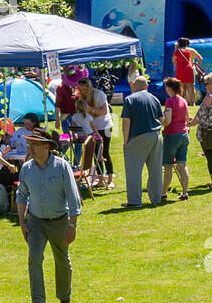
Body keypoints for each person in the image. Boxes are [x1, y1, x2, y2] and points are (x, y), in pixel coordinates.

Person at [15, 129, 81, 303]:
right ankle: (38, 302)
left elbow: (73, 197)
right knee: (34, 257)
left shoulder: (61, 166)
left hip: (60, 220)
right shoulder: (27, 168)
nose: (30, 148)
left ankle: (64, 299)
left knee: (62, 260)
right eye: (30, 144)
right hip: (35, 221)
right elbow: (21, 196)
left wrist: (72, 225)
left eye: (34, 145)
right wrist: (22, 222)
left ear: (46, 147)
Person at [119, 76, 164, 208]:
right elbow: (162, 120)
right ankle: (156, 199)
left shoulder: (130, 99)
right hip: (155, 135)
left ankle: (134, 201)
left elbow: (126, 122)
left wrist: (125, 141)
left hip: (137, 137)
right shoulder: (154, 98)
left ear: (134, 86)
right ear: (147, 86)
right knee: (155, 170)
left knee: (133, 170)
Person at [76, 78, 115, 190]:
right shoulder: (82, 98)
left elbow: (104, 112)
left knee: (105, 153)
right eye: (81, 89)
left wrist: (90, 109)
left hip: (105, 126)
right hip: (92, 129)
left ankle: (111, 180)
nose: (83, 91)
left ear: (90, 87)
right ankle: (101, 180)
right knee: (95, 154)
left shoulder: (99, 94)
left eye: (85, 89)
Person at [161, 77, 189, 201]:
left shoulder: (170, 102)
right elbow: (187, 117)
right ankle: (184, 192)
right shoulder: (184, 100)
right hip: (184, 134)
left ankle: (163, 192)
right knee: (182, 165)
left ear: (169, 88)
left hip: (172, 135)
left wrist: (159, 119)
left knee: (168, 166)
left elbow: (167, 121)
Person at [172, 38, 203, 104]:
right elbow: (200, 58)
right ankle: (193, 102)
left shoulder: (178, 51)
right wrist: (197, 64)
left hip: (180, 69)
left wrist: (177, 65)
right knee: (191, 87)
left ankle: (182, 102)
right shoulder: (191, 50)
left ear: (180, 43)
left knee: (181, 86)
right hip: (189, 69)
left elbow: (173, 60)